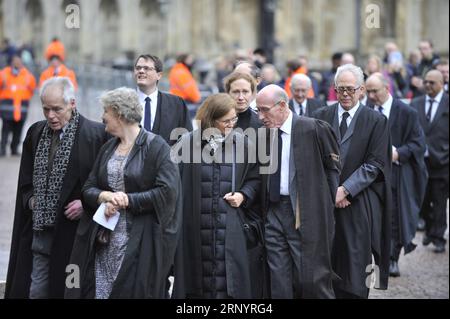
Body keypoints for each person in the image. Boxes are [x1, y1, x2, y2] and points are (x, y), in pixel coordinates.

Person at [66, 87, 182, 298]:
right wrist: (106, 197)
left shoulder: (157, 147)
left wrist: (128, 200)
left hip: (139, 242)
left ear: (119, 114)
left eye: (106, 112)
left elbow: (168, 192)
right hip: (104, 240)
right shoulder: (108, 147)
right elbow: (88, 189)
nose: (102, 117)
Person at [5, 77, 109, 298]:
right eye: (45, 109)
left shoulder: (95, 134)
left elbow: (106, 182)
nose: (51, 115)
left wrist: (86, 203)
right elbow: (26, 181)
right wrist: (31, 200)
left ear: (72, 103)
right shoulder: (36, 133)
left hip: (75, 236)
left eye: (57, 109)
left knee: (69, 291)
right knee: (36, 291)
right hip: (40, 230)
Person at [312, 64, 392, 299]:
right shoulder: (320, 118)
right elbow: (313, 160)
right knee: (327, 257)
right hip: (326, 202)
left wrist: (346, 190)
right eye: (340, 89)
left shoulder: (376, 121)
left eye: (350, 89)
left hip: (359, 202)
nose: (345, 94)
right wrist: (331, 191)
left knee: (357, 260)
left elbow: (376, 164)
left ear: (362, 90)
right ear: (334, 90)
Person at [173, 93, 261, 299]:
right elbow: (171, 180)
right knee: (195, 285)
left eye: (234, 119)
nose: (231, 125)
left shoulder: (244, 144)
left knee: (229, 285)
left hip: (229, 228)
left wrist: (243, 195)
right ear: (211, 120)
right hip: (194, 229)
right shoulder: (186, 144)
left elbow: (256, 178)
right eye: (226, 121)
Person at [256, 84, 341, 298]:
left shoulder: (313, 128)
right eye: (258, 110)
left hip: (304, 214)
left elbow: (333, 171)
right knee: (278, 277)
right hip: (273, 212)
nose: (260, 116)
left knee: (312, 278)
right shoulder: (264, 134)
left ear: (282, 105)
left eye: (264, 109)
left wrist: (325, 206)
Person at [366, 73, 427, 276]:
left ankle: (392, 259)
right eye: (368, 91)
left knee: (394, 219)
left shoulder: (406, 112)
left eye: (375, 91)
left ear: (387, 88)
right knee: (374, 218)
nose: (371, 95)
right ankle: (376, 257)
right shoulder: (366, 110)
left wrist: (397, 153)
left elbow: (418, 143)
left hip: (397, 174)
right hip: (370, 175)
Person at [410, 70, 449, 254]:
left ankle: (439, 237)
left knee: (439, 201)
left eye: (432, 83)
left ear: (441, 83)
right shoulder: (416, 103)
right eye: (425, 82)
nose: (428, 85)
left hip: (442, 162)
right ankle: (430, 229)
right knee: (423, 201)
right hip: (419, 161)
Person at [134, 54, 192, 145]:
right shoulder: (122, 102)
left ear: (159, 75)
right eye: (138, 68)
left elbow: (186, 140)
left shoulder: (176, 104)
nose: (141, 71)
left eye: (147, 68)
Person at [0, 54, 36, 156]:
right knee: (5, 130)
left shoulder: (28, 76)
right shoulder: (3, 74)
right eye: (15, 61)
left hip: (22, 108)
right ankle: (2, 149)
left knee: (18, 130)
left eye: (19, 61)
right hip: (7, 108)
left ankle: (14, 149)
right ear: (11, 62)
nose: (17, 63)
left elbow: (32, 89)